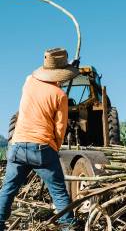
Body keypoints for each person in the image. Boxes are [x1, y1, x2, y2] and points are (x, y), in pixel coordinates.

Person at [0, 48, 79, 231]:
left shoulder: (29, 81)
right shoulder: (60, 96)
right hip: (42, 149)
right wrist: (54, 149)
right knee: (59, 192)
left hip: (17, 146)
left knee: (8, 189)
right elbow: (60, 128)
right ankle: (68, 226)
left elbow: (42, 87)